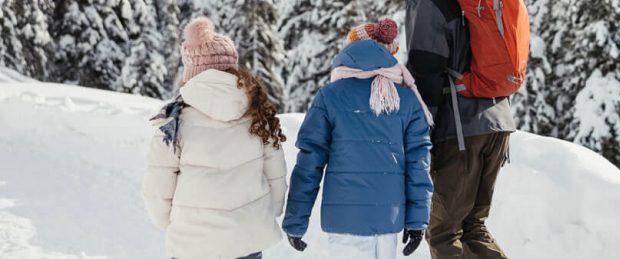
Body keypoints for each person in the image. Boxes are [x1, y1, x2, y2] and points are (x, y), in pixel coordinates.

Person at [378, 0, 514, 259]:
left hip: (460, 129)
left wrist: (419, 127)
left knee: (442, 231)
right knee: (472, 227)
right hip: (496, 121)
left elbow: (427, 69)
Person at [282, 19, 433, 259]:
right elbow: (419, 163)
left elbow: (309, 163)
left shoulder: (330, 96)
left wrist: (295, 221)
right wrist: (417, 220)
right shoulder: (404, 98)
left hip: (345, 223)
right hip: (388, 221)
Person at [142, 16, 287, 259]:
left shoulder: (174, 122)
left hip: (192, 243)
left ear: (192, 70)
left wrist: (176, 224)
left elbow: (158, 187)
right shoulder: (257, 113)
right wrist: (259, 215)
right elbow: (276, 179)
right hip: (247, 239)